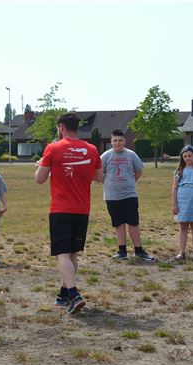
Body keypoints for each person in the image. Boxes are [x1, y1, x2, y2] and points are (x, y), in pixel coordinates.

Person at [35, 112, 102, 315]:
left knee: (62, 253)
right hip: (82, 209)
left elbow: (39, 179)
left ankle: (74, 294)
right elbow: (100, 177)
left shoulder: (53, 148)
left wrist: (40, 165)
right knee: (72, 252)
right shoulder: (91, 149)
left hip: (61, 209)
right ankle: (63, 293)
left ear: (61, 127)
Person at [99, 129, 155, 262]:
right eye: (115, 140)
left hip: (129, 195)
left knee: (133, 223)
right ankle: (122, 250)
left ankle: (139, 250)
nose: (117, 143)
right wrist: (107, 183)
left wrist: (130, 182)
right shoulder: (105, 156)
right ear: (111, 142)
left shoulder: (131, 155)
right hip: (112, 197)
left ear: (125, 141)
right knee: (118, 224)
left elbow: (138, 171)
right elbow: (98, 174)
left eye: (120, 140)